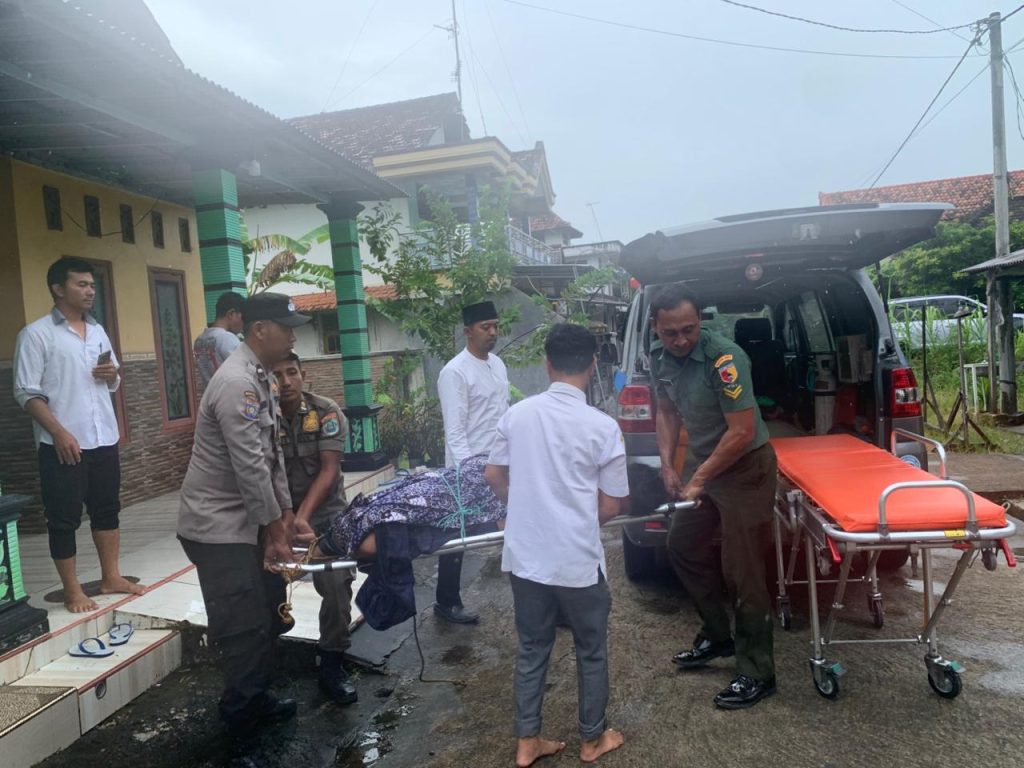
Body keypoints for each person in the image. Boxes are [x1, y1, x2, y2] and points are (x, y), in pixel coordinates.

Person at [485, 323, 628, 767]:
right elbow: (613, 503)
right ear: (593, 364)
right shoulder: (603, 427)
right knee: (591, 649)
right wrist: (576, 522)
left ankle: (527, 742)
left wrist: (522, 510)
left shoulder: (518, 415)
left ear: (547, 364)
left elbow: (493, 474)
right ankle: (592, 740)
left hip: (526, 557)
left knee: (532, 647)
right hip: (577, 561)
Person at [177, 292, 310, 732]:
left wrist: (285, 513)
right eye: (286, 328)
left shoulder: (259, 376)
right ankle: (238, 726)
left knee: (268, 611)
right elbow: (249, 466)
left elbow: (271, 455)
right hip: (216, 529)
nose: (293, 337)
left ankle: (256, 698)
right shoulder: (237, 382)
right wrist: (275, 531)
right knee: (242, 626)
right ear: (259, 330)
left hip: (245, 522)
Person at [649, 283, 778, 710]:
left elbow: (741, 432)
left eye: (688, 329)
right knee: (682, 546)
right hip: (704, 464)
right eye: (671, 332)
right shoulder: (658, 358)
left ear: (699, 321)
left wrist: (699, 478)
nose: (680, 340)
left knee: (742, 570)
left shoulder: (725, 359)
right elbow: (667, 412)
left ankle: (757, 672)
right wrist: (668, 464)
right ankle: (718, 635)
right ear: (656, 327)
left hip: (745, 468)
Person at [13, 256, 145, 613]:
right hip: (62, 444)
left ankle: (111, 577)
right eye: (81, 284)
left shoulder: (98, 331)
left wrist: (112, 375)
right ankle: (72, 591)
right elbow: (26, 392)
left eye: (91, 285)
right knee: (63, 518)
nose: (90, 291)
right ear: (59, 288)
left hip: (103, 437)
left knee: (107, 509)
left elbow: (114, 379)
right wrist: (58, 432)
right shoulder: (36, 334)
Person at [271, 352, 357, 706]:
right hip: (276, 517)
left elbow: (329, 470)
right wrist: (282, 520)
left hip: (325, 515)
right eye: (277, 375)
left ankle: (332, 665)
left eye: (291, 372)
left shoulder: (325, 412)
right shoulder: (262, 416)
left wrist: (301, 516)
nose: (285, 381)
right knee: (265, 588)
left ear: (303, 375)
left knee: (336, 588)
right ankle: (269, 665)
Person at [434, 300, 510, 624]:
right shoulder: (455, 372)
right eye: (485, 327)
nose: (492, 332)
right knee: (457, 534)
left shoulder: (498, 365)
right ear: (468, 331)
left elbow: (503, 414)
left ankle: (539, 596)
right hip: (467, 469)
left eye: (495, 326)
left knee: (513, 525)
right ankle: (447, 601)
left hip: (501, 462)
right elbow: (455, 430)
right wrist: (471, 473)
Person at [194, 291, 244, 386]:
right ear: (231, 314)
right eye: (243, 318)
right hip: (230, 392)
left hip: (210, 393)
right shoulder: (227, 338)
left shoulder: (199, 340)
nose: (243, 324)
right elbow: (243, 372)